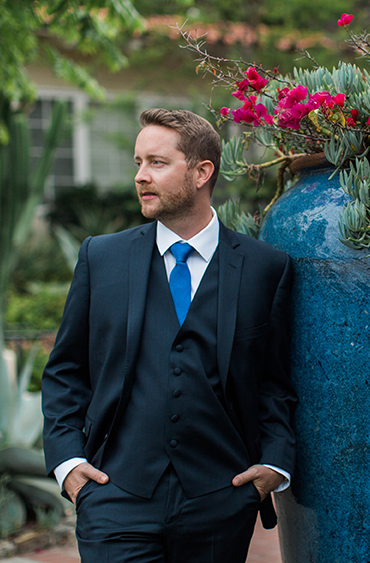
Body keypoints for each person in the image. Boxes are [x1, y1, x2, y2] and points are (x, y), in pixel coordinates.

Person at [42, 108, 296, 562]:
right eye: (138, 162)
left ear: (202, 172)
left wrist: (273, 466)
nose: (141, 176)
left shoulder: (264, 268)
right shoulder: (102, 258)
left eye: (157, 163)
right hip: (114, 497)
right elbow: (65, 369)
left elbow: (275, 380)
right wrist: (68, 465)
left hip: (222, 500)